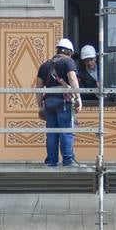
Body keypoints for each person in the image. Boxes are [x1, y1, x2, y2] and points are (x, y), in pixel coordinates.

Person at [36, 38, 82, 167]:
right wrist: (78, 98)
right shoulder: (68, 62)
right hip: (64, 100)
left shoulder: (44, 65)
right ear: (69, 52)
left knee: (51, 132)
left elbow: (38, 88)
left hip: (49, 101)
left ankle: (51, 160)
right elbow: (72, 79)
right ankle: (68, 160)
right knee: (66, 130)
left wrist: (40, 107)